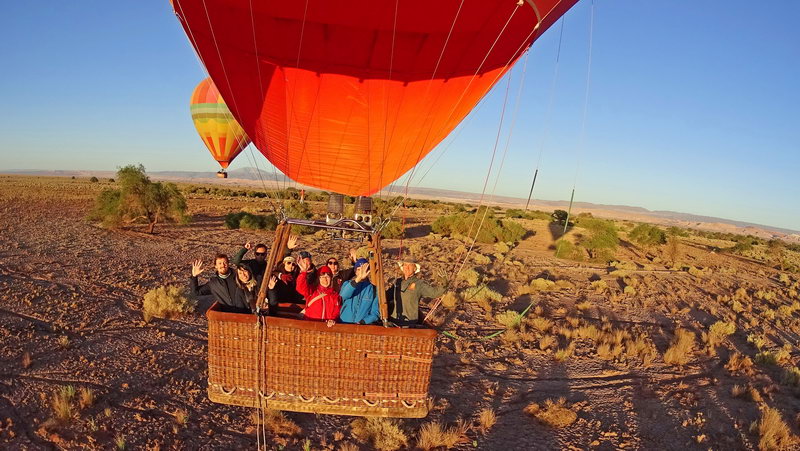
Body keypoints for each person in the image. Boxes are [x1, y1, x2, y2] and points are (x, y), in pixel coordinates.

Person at [386, 256, 445, 326]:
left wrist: (444, 284)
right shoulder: (397, 282)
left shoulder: (419, 284)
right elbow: (387, 296)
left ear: (415, 268)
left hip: (409, 323)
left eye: (410, 266)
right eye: (405, 265)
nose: (407, 268)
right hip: (394, 320)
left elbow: (435, 293)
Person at [296, 259, 340, 326]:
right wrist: (303, 273)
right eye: (322, 277)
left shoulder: (335, 295)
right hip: (309, 327)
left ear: (331, 279)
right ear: (318, 279)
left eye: (327, 277)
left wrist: (333, 319)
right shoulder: (312, 291)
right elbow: (300, 287)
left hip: (325, 329)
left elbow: (336, 311)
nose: (325, 280)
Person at [232, 235, 298, 278]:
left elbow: (282, 263)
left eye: (262, 254)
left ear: (266, 255)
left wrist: (288, 248)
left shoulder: (268, 266)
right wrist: (245, 249)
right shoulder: (250, 264)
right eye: (258, 254)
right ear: (254, 254)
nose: (260, 256)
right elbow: (236, 261)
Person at [339, 258, 380, 325]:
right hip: (344, 324)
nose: (361, 272)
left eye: (364, 270)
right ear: (355, 271)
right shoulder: (347, 284)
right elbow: (343, 296)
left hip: (361, 327)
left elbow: (375, 313)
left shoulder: (374, 289)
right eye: (359, 269)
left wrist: (363, 322)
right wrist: (358, 280)